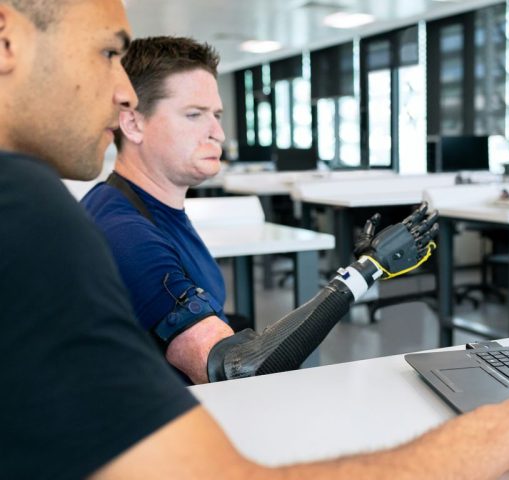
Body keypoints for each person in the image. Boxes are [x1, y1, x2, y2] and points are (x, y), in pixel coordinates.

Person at [0, 1, 509, 478]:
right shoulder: (70, 220)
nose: (120, 90)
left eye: (217, 114)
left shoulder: (114, 212)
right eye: (108, 52)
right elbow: (235, 368)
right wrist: (504, 430)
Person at [80, 35, 438, 384]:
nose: (217, 133)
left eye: (216, 115)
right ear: (133, 123)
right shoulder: (125, 234)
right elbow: (236, 368)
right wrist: (366, 270)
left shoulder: (149, 206)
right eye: (194, 115)